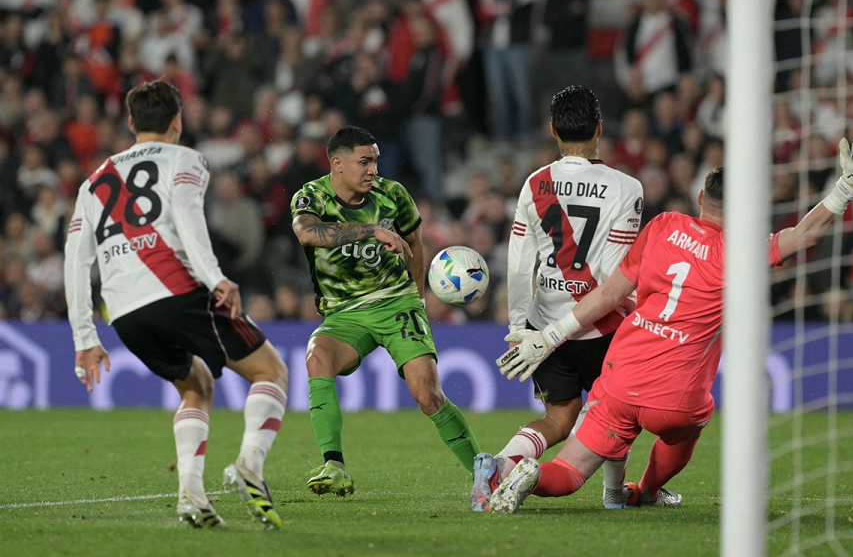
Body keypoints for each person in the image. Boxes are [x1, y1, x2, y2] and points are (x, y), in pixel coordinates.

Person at [484, 137, 853, 512]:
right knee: (687, 428)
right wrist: (845, 188)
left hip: (621, 377)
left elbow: (608, 295)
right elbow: (805, 236)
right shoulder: (740, 250)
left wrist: (549, 335)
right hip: (676, 397)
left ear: (700, 198)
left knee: (569, 473)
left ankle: (531, 473)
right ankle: (646, 491)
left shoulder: (663, 226)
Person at [64, 81, 289, 529]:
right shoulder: (185, 159)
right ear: (177, 123)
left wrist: (84, 337)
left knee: (196, 385)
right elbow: (187, 217)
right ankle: (250, 465)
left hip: (124, 313)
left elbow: (75, 259)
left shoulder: (93, 183)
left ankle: (191, 495)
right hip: (177, 289)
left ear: (131, 122)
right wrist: (216, 277)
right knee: (271, 371)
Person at [471, 85, 644, 511]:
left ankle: (499, 466)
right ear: (600, 127)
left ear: (552, 130)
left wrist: (519, 328)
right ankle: (614, 494)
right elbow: (612, 274)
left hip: (543, 326)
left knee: (558, 417)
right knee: (616, 412)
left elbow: (519, 263)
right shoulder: (627, 188)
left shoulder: (536, 183)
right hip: (602, 327)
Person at [291, 125, 480, 496]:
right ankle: (334, 466)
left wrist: (418, 299)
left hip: (397, 301)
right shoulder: (312, 196)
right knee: (317, 356)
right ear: (337, 164)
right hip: (344, 312)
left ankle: (484, 474)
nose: (373, 170)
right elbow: (307, 233)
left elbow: (415, 243)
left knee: (427, 395)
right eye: (365, 162)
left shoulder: (393, 194)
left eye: (375, 161)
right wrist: (370, 231)